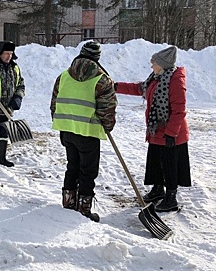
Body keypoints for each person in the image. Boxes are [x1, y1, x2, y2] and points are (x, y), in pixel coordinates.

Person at [114, 46, 191, 212]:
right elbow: (138, 88)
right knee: (156, 162)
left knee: (170, 165)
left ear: (162, 65)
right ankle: (157, 190)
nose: (151, 66)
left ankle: (171, 198)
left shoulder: (175, 80)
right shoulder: (155, 78)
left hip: (172, 133)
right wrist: (116, 86)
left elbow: (179, 109)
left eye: (153, 63)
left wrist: (171, 133)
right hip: (157, 130)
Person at [50, 41, 117, 222]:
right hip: (88, 132)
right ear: (97, 58)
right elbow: (107, 108)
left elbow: (54, 104)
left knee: (72, 166)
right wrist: (107, 126)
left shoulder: (63, 76)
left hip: (67, 131)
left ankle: (68, 203)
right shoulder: (102, 80)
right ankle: (84, 209)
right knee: (87, 171)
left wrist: (62, 123)